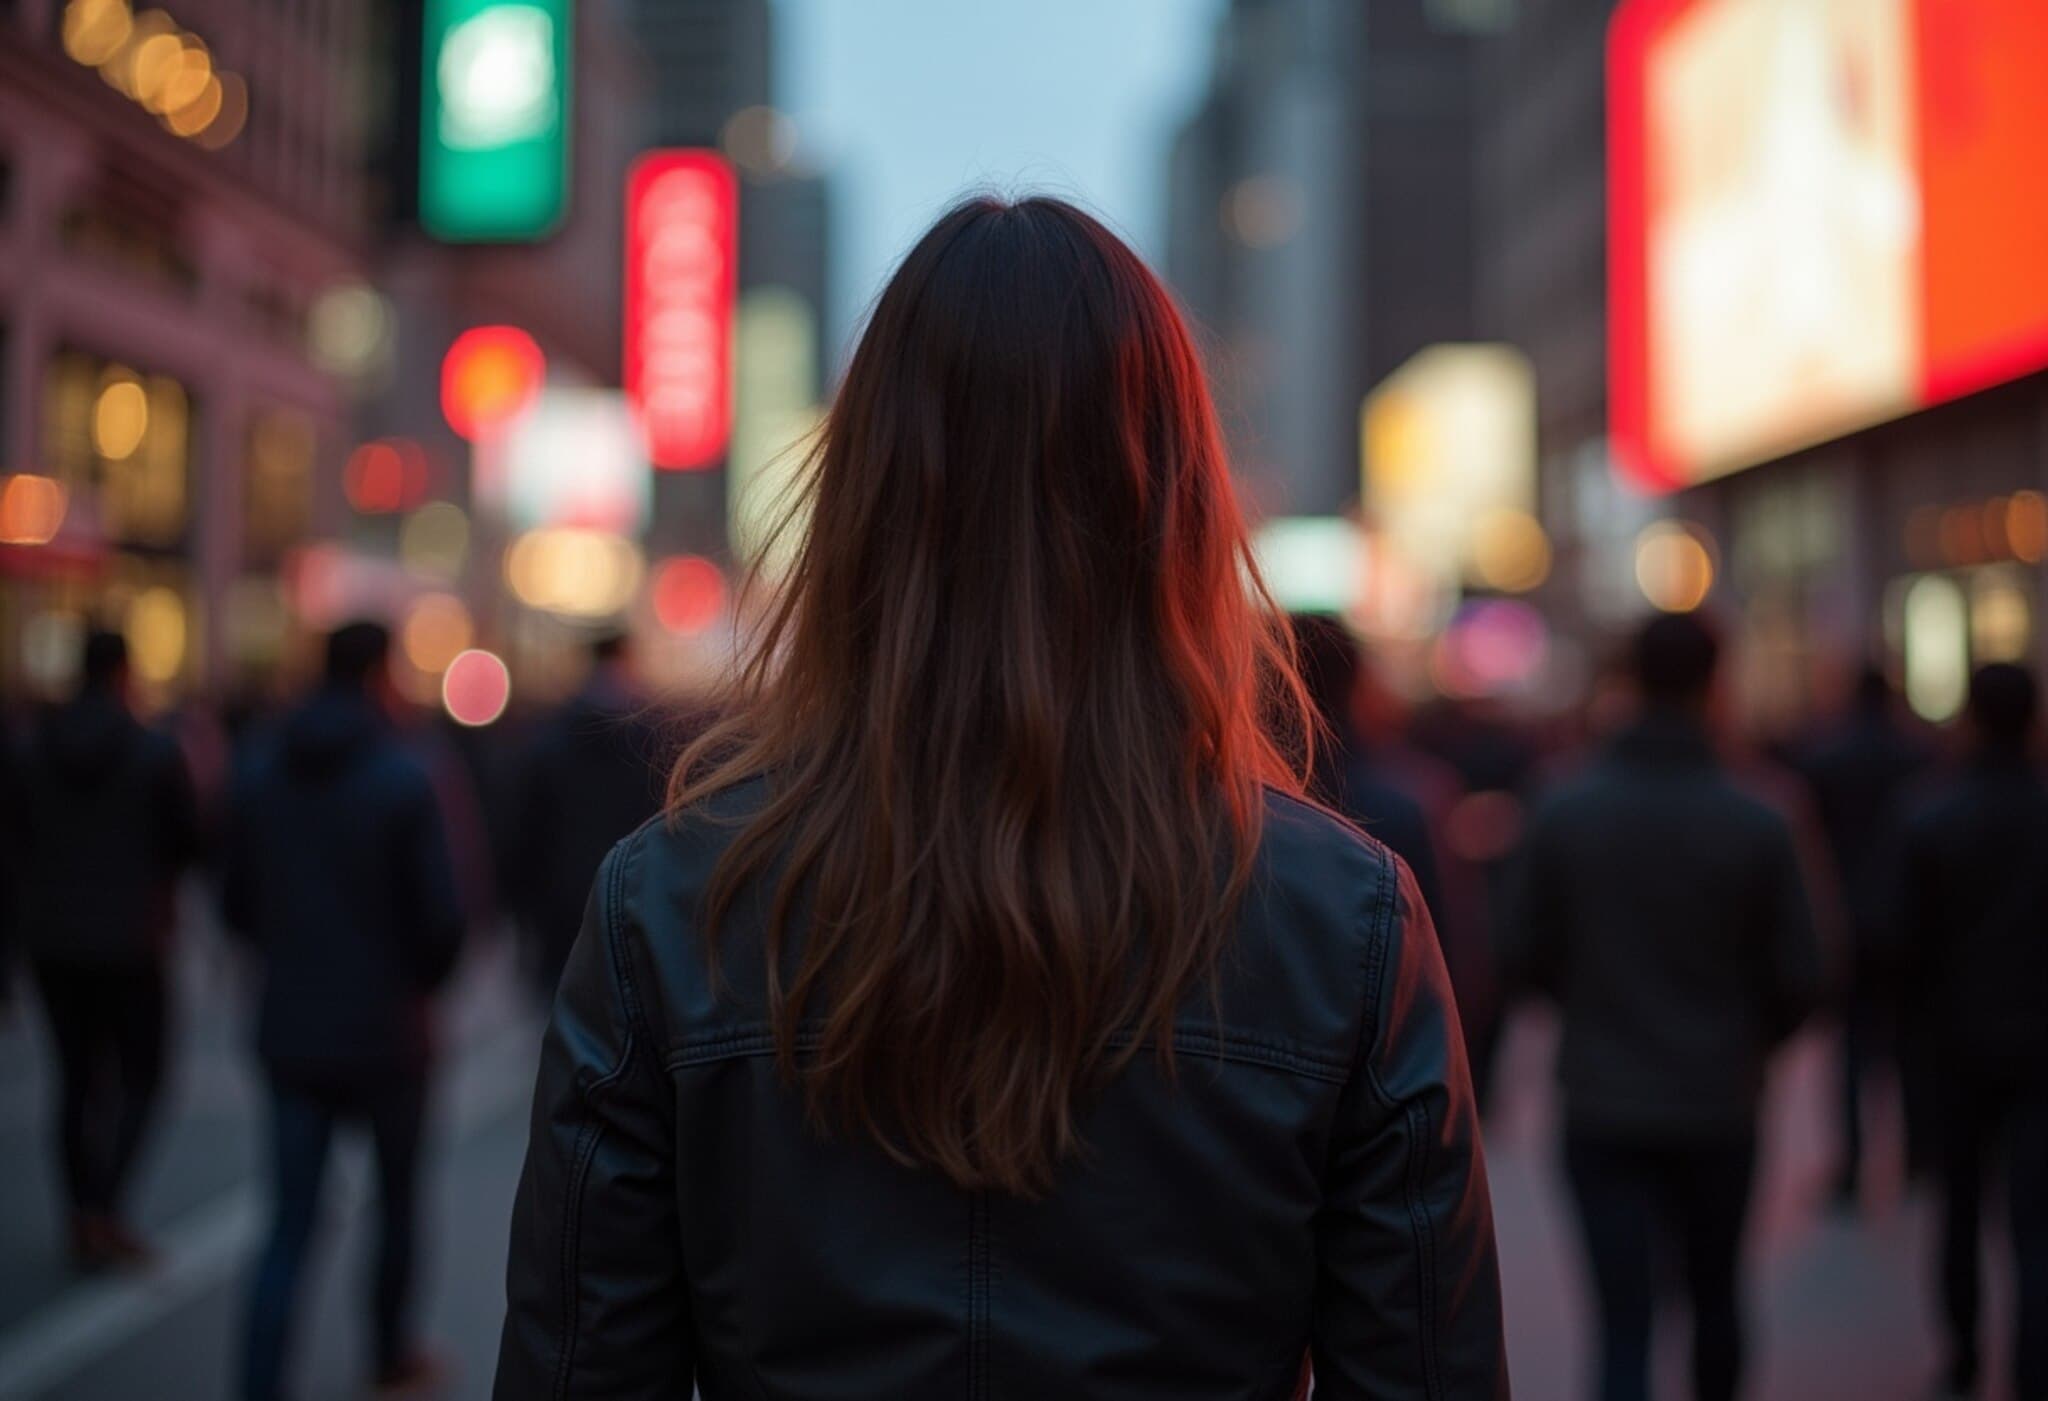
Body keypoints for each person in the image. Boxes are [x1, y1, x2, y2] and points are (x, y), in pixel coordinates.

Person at [495, 196, 1506, 1399]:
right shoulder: (1345, 920)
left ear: (860, 499)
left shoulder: (667, 904)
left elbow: (580, 1371)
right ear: (1178, 503)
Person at [1501, 613, 1822, 1401]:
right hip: (1719, 1097)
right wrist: (1745, 1040)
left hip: (1603, 1096)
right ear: (1717, 682)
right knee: (1717, 1296)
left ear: (1631, 680)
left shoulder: (1565, 805)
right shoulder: (1762, 812)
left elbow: (1520, 950)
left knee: (1622, 1323)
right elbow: (1805, 973)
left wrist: (1589, 1006)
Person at [223, 621, 464, 1401]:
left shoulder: (260, 766)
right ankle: (389, 1353)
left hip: (292, 1022)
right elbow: (442, 917)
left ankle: (260, 1379)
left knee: (289, 1220)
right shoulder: (404, 772)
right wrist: (421, 982)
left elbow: (233, 901)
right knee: (397, 1204)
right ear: (379, 672)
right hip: (388, 1028)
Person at [11, 629, 199, 1269]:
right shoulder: (153, 751)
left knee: (73, 1079)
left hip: (53, 939)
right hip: (131, 939)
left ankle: (82, 1210)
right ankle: (105, 1207)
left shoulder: (31, 748)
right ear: (123, 672)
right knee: (142, 1075)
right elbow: (188, 842)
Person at [1893, 663, 2048, 1401]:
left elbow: (1899, 942)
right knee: (2036, 1220)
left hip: (1952, 1046)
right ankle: (2033, 1363)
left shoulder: (1931, 815)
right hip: (2038, 1048)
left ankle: (1963, 1355)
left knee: (1957, 1210)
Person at [1790, 664, 1930, 1204]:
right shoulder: (1917, 756)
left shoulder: (1827, 758)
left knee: (1850, 1050)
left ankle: (1851, 1163)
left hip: (1846, 918)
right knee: (1909, 1043)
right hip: (1906, 921)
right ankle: (1918, 1154)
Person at [510, 633, 668, 1000]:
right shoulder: (654, 741)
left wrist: (523, 913)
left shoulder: (549, 738)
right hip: (635, 900)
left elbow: (525, 836)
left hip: (563, 905)